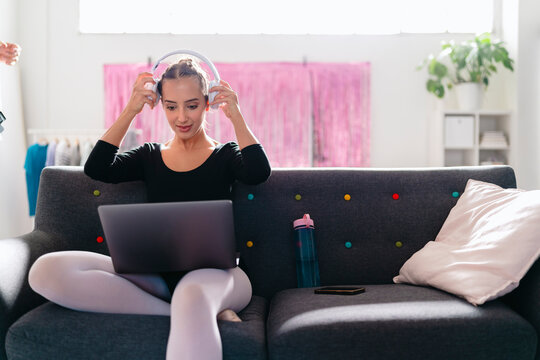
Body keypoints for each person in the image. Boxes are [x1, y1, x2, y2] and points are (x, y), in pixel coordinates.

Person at [28, 58, 271, 360]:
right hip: (156, 278)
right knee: (45, 270)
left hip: (220, 275)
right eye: (171, 106)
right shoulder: (149, 155)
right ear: (161, 106)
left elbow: (259, 172)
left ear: (208, 104)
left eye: (192, 105)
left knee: (191, 295)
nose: (181, 117)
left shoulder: (225, 154)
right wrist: (131, 109)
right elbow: (97, 168)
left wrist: (236, 116)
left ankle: (193, 308)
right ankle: (177, 312)